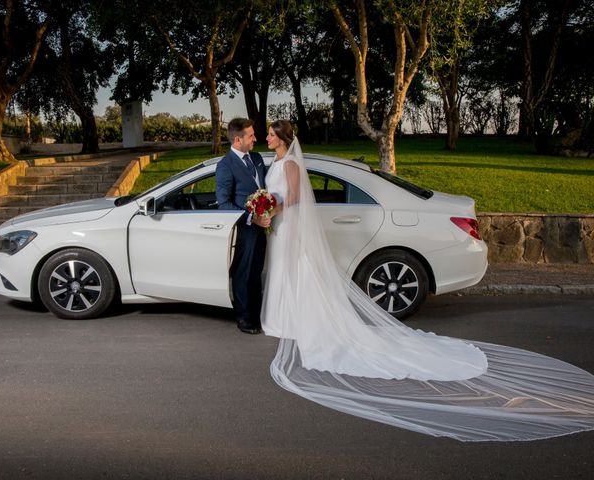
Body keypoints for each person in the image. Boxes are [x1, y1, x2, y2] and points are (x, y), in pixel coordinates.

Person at [258, 119, 594, 441]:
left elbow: (296, 197)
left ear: (283, 138)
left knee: (297, 273)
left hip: (288, 226)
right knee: (288, 273)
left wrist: (271, 207)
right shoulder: (277, 161)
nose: (268, 138)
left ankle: (295, 318)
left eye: (272, 135)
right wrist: (268, 206)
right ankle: (285, 316)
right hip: (282, 229)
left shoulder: (290, 165)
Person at [216, 118, 270, 334]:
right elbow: (224, 203)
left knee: (256, 272)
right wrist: (251, 218)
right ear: (238, 140)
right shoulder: (225, 165)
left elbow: (263, 188)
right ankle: (244, 318)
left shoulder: (256, 158)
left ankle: (256, 314)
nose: (255, 138)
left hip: (262, 226)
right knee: (243, 273)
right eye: (251, 135)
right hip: (244, 229)